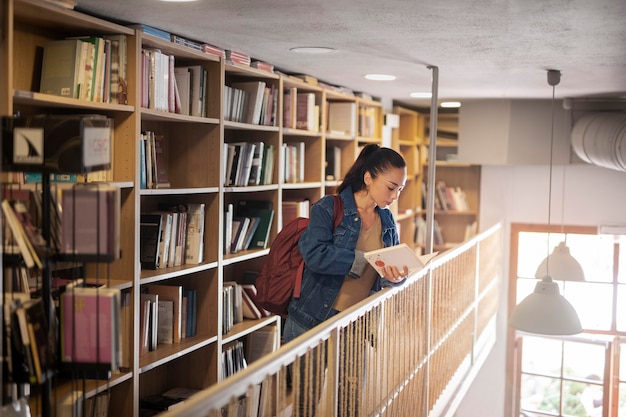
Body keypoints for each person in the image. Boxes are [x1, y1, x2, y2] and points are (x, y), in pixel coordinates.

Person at [283, 144, 408, 415]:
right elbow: (314, 254)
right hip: (312, 319)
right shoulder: (329, 207)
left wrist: (396, 277)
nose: (395, 195)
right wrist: (361, 261)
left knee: (349, 405)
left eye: (400, 189)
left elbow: (385, 275)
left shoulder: (387, 220)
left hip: (356, 323)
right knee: (306, 404)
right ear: (368, 178)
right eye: (391, 187)